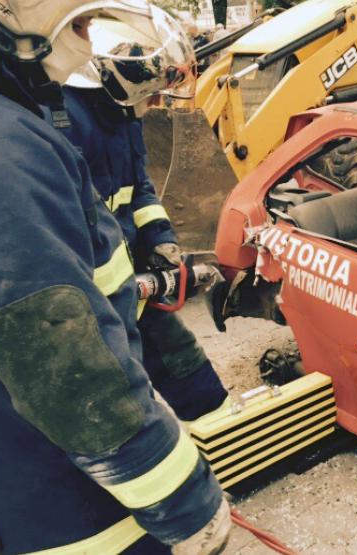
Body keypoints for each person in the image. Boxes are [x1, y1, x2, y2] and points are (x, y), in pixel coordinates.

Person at [0, 1, 230, 553]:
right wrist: (184, 504)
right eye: (80, 22)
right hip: (63, 521)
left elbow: (137, 187)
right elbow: (67, 363)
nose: (85, 41)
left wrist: (158, 238)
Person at [61, 8, 229, 423]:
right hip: (94, 290)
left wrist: (160, 240)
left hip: (134, 278)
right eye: (151, 88)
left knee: (187, 369)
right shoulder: (65, 121)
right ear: (118, 75)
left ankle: (220, 429)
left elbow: (139, 188)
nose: (157, 101)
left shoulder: (124, 116)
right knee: (120, 396)